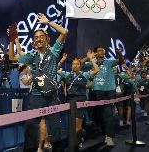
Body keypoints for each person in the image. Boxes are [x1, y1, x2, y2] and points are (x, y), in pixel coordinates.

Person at [8, 13, 67, 152]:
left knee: (55, 128)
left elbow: (64, 32)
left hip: (52, 97)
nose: (38, 39)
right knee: (30, 128)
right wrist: (12, 40)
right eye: (36, 38)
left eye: (41, 37)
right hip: (36, 96)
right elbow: (11, 57)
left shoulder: (54, 52)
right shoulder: (31, 56)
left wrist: (48, 22)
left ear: (47, 39)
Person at [57, 53, 99, 147]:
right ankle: (74, 140)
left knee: (77, 124)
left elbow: (96, 70)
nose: (75, 65)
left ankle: (77, 142)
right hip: (69, 101)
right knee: (70, 124)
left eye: (77, 64)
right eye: (73, 64)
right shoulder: (67, 74)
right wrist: (62, 60)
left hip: (80, 100)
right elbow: (55, 69)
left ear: (80, 66)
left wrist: (92, 60)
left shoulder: (84, 74)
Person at [92, 45, 123, 146]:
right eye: (100, 51)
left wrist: (119, 54)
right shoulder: (93, 63)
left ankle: (109, 136)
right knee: (101, 114)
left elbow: (120, 61)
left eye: (103, 51)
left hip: (110, 90)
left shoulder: (108, 62)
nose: (102, 52)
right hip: (98, 90)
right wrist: (89, 57)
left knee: (108, 113)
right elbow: (81, 63)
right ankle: (108, 134)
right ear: (96, 52)